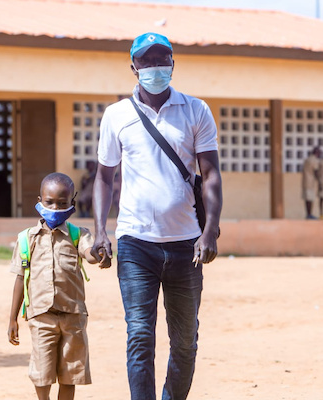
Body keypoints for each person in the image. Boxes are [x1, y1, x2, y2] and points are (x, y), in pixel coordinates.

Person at [90, 32, 223, 400]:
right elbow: (104, 177)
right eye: (146, 62)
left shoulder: (196, 111)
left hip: (186, 245)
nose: (154, 68)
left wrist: (209, 230)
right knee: (140, 337)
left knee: (185, 342)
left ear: (173, 65)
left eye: (161, 60)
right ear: (133, 67)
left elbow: (210, 175)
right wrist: (101, 230)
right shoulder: (116, 115)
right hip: (136, 244)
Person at [7, 172, 110, 400]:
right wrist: (12, 318)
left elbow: (89, 253)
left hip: (73, 315)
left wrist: (100, 253)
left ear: (71, 204)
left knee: (70, 373)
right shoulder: (27, 239)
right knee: (42, 373)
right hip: (41, 315)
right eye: (49, 202)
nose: (55, 208)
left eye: (62, 203)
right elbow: (19, 278)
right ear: (39, 200)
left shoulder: (78, 235)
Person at [302, 147, 321, 219]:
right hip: (310, 181)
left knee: (307, 199)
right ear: (317, 153)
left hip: (305, 181)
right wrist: (319, 180)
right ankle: (309, 215)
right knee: (310, 198)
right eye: (319, 153)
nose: (320, 155)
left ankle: (308, 214)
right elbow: (315, 171)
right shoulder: (314, 160)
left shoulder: (307, 159)